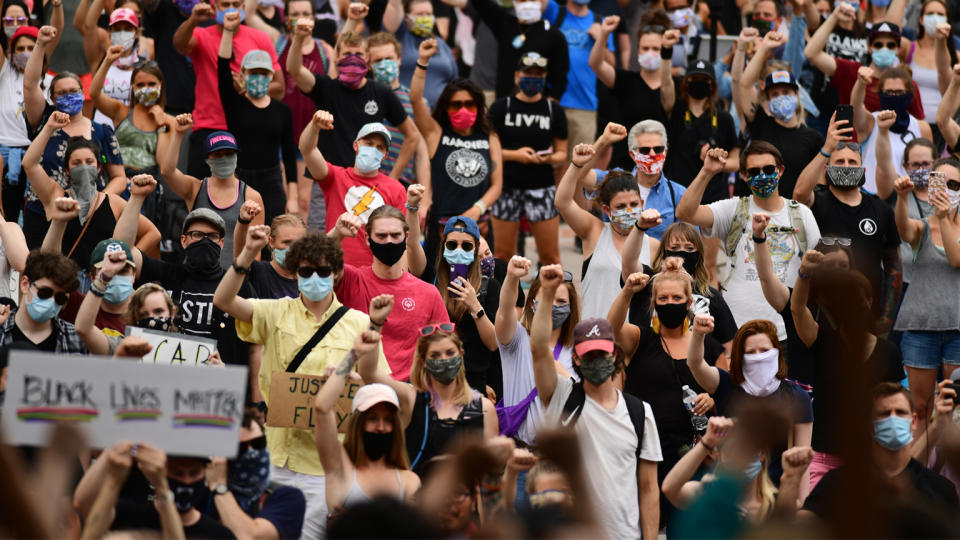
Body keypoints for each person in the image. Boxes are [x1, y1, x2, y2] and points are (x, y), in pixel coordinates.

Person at [213, 225, 389, 538]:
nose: (315, 277)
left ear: (336, 273)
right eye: (306, 270)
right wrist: (246, 254)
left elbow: (378, 386)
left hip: (326, 466)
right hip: (275, 456)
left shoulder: (360, 322)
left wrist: (353, 380)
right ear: (295, 273)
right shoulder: (275, 311)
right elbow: (224, 301)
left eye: (323, 270)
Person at [532, 264, 661, 539]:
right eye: (588, 355)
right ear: (575, 359)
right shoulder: (562, 397)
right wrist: (546, 293)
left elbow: (649, 488)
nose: (597, 361)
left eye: (602, 353)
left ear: (616, 356)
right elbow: (539, 348)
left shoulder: (640, 413)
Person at [609, 260, 721, 524]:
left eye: (677, 297)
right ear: (654, 303)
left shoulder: (707, 344)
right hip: (644, 447)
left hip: (691, 453)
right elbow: (611, 329)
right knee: (642, 523)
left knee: (685, 526)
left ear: (689, 303)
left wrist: (712, 400)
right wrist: (627, 292)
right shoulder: (641, 339)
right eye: (663, 298)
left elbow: (726, 390)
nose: (670, 303)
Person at [676, 143, 821, 340]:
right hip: (738, 329)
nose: (762, 176)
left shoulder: (801, 213)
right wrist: (707, 171)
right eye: (754, 171)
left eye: (769, 170)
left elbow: (818, 272)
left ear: (781, 171)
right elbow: (685, 213)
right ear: (744, 176)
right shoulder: (733, 209)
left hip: (788, 331)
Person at [791, 249, 905, 488]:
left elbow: (897, 400)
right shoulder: (821, 339)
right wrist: (804, 273)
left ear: (869, 302)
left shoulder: (888, 352)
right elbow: (798, 309)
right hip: (823, 458)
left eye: (858, 298)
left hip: (870, 461)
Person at [114, 175, 251, 368]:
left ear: (221, 242)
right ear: (184, 240)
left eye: (211, 236)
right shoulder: (166, 275)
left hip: (218, 386)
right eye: (197, 235)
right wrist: (136, 198)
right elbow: (122, 250)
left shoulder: (236, 285)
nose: (204, 240)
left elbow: (255, 343)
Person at [794, 113, 902, 330]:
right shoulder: (817, 202)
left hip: (865, 313)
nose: (846, 166)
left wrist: (888, 317)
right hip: (819, 313)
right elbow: (798, 194)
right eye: (839, 161)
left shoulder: (880, 209)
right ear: (827, 169)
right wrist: (826, 149)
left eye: (852, 162)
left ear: (862, 169)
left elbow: (893, 267)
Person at [799, 383, 959, 530]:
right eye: (884, 414)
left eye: (900, 412)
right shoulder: (838, 482)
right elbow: (802, 527)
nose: (893, 419)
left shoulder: (939, 489)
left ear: (914, 421)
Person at [22, 26, 126, 249]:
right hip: (42, 211)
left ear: (83, 93)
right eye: (62, 93)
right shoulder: (45, 118)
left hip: (87, 216)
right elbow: (30, 85)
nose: (69, 96)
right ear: (51, 97)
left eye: (74, 91)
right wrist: (40, 44)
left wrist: (99, 203)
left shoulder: (101, 131)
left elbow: (119, 177)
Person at [687, 316, 814, 495]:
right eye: (750, 352)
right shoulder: (726, 384)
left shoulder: (796, 396)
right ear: (740, 357)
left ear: (777, 352)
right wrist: (698, 335)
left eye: (764, 350)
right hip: (729, 496)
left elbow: (802, 461)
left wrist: (800, 505)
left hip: (775, 497)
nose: (758, 357)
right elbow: (695, 364)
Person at [412, 41, 502, 282]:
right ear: (447, 107)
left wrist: (477, 209)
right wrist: (423, 62)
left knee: (481, 285)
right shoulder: (436, 133)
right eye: (456, 104)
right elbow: (415, 98)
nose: (463, 109)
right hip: (441, 226)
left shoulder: (489, 137)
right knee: (436, 284)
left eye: (469, 104)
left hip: (479, 225)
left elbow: (497, 185)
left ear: (478, 106)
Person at [329, 204, 449, 382]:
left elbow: (445, 349)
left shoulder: (428, 293)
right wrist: (337, 233)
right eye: (381, 236)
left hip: (408, 392)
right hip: (356, 387)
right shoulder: (350, 279)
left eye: (395, 235)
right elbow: (312, 264)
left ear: (406, 237)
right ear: (368, 239)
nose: (389, 241)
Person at [23, 114, 160, 270]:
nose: (84, 167)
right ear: (67, 170)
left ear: (99, 167)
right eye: (77, 163)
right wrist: (49, 127)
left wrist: (128, 262)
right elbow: (30, 164)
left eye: (89, 162)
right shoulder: (57, 196)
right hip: (65, 283)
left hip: (103, 282)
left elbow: (152, 233)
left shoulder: (114, 202)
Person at [285, 23, 418, 180]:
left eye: (359, 54)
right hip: (328, 180)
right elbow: (294, 69)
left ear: (367, 58)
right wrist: (299, 38)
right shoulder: (325, 88)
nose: (353, 59)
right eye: (347, 54)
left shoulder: (381, 92)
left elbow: (413, 135)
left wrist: (393, 177)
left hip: (366, 182)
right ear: (337, 57)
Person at [313, 330, 420, 520]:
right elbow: (322, 407)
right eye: (372, 418)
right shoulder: (340, 468)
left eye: (388, 420)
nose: (381, 427)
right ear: (358, 423)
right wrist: (353, 355)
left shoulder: (409, 481)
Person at [172, 0, 283, 179]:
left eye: (236, 4)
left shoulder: (260, 38)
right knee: (200, 195)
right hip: (208, 127)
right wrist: (193, 20)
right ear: (214, 8)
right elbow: (179, 44)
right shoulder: (202, 35)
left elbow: (279, 88)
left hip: (247, 128)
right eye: (225, 4)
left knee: (248, 200)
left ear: (244, 8)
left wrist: (248, 89)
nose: (231, 9)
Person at [555, 135, 659, 320]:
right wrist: (576, 165)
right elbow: (563, 202)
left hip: (634, 339)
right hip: (593, 336)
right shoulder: (594, 231)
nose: (628, 210)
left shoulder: (653, 246)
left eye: (634, 204)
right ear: (606, 209)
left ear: (642, 203)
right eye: (620, 207)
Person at [892, 160, 960, 426]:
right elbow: (903, 229)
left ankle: (948, 468)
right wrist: (900, 197)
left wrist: (943, 218)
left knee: (955, 410)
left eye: (954, 184)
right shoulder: (921, 227)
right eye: (941, 183)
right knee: (920, 408)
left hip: (957, 328)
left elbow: (956, 259)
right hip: (921, 328)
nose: (947, 190)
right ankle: (919, 467)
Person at [488, 51, 568, 265]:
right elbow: (488, 150)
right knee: (502, 256)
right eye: (528, 73)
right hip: (507, 188)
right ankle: (504, 298)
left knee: (550, 257)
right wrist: (516, 155)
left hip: (541, 187)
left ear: (545, 77)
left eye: (538, 73)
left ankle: (553, 297)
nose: (533, 78)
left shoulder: (554, 110)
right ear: (517, 75)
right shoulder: (500, 108)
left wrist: (547, 159)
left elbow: (562, 152)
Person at [218, 16, 298, 224]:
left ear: (272, 76)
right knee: (241, 233)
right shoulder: (234, 103)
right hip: (240, 178)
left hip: (272, 180)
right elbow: (222, 69)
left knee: (272, 233)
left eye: (264, 73)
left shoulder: (282, 111)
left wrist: (294, 196)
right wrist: (227, 31)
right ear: (244, 74)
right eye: (254, 73)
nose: (259, 78)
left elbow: (289, 155)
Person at [299, 112, 407, 266]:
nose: (373, 150)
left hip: (376, 273)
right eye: (369, 143)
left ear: (385, 155)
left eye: (380, 147)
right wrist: (314, 125)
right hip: (336, 268)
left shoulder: (396, 189)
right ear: (356, 145)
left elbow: (402, 243)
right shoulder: (335, 177)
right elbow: (307, 149)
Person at [662, 416, 815, 522]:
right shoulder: (707, 494)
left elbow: (787, 520)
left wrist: (792, 477)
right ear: (721, 456)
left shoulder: (777, 504)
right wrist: (706, 442)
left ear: (762, 455)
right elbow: (670, 488)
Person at [495, 255, 580, 445]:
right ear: (532, 303)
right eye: (548, 298)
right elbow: (505, 310)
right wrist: (511, 277)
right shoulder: (516, 339)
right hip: (518, 448)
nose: (554, 306)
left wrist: (563, 374)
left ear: (571, 307)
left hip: (557, 454)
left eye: (561, 301)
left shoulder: (577, 350)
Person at [161, 116, 266, 268]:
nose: (224, 159)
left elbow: (255, 251)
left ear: (236, 156)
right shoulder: (195, 188)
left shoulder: (251, 196)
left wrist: (246, 281)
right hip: (196, 276)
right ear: (207, 159)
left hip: (232, 279)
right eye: (217, 155)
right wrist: (178, 134)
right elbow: (167, 172)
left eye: (229, 154)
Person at [622, 221, 738, 355]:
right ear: (664, 252)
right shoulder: (647, 284)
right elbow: (628, 262)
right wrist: (639, 228)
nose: (682, 253)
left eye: (689, 248)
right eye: (675, 247)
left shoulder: (711, 296)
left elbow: (729, 348)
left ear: (698, 255)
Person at [73, 442, 232, 537]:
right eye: (177, 473)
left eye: (194, 473)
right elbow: (83, 502)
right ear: (160, 471)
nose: (186, 480)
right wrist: (118, 445)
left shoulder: (219, 535)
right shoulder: (129, 516)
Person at [403, 320, 499, 475]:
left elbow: (491, 473)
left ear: (461, 354)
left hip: (465, 496)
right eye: (435, 355)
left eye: (450, 353)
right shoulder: (413, 400)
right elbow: (371, 374)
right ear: (424, 361)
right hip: (421, 496)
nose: (444, 359)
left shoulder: (484, 408)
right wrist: (375, 325)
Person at [734, 33, 824, 199]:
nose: (781, 97)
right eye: (774, 94)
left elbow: (819, 183)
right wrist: (764, 48)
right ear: (767, 99)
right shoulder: (760, 124)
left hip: (796, 214)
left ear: (797, 95)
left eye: (786, 92)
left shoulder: (814, 139)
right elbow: (745, 84)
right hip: (759, 212)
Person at [270, 0, 333, 216]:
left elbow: (334, 90)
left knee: (304, 202)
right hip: (280, 134)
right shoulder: (276, 43)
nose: (301, 18)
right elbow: (249, 16)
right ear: (286, 18)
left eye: (306, 13)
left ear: (314, 18)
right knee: (285, 200)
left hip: (311, 135)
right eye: (295, 13)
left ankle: (301, 249)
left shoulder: (325, 49)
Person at [205, 412, 307, 539]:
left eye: (258, 443)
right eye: (241, 448)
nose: (251, 452)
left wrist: (219, 486)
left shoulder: (287, 497)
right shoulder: (201, 494)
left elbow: (249, 536)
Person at [590, 16, 672, 170]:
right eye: (645, 48)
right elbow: (596, 64)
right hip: (625, 167)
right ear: (638, 49)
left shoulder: (673, 87)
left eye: (656, 49)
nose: (651, 53)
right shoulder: (625, 80)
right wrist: (604, 33)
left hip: (660, 169)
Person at [429, 216, 499, 394]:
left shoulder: (489, 287)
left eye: (466, 246)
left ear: (475, 250)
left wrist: (475, 306)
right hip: (436, 376)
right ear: (444, 247)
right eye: (452, 245)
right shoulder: (432, 283)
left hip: (475, 379)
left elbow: (493, 344)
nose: (458, 251)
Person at [805, 17, 924, 121]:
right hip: (854, 145)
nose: (884, 49)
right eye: (878, 45)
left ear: (898, 49)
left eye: (890, 45)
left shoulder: (907, 84)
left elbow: (919, 125)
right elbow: (811, 53)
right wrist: (835, 16)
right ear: (869, 48)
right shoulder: (852, 71)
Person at [89, 47, 172, 185]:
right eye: (140, 85)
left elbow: (163, 165)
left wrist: (161, 126)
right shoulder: (121, 111)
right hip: (118, 181)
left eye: (151, 84)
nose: (146, 88)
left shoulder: (170, 122)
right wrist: (108, 61)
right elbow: (94, 94)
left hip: (148, 184)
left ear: (161, 85)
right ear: (132, 87)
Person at [541, 0, 614, 153]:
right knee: (548, 161)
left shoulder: (601, 22)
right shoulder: (555, 12)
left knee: (580, 167)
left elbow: (611, 64)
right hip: (552, 101)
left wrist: (601, 38)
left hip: (585, 105)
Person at [465, 0, 569, 101]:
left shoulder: (554, 36)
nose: (528, 4)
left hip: (537, 108)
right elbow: (481, 3)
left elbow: (560, 78)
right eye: (522, 0)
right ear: (514, 2)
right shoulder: (505, 25)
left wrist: (550, 107)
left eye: (532, 0)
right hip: (505, 104)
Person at [854, 67, 933, 194]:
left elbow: (931, 168)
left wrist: (934, 200)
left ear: (909, 94)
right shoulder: (870, 122)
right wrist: (860, 84)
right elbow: (856, 106)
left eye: (899, 92)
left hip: (909, 199)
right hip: (872, 198)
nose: (894, 97)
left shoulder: (922, 127)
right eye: (889, 92)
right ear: (880, 93)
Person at [365, 32, 427, 186]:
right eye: (378, 60)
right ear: (368, 64)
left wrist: (425, 197)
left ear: (399, 59)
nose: (384, 64)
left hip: (401, 183)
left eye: (389, 58)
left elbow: (421, 153)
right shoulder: (362, 95)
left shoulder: (416, 101)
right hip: (364, 179)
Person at [0, 249, 86, 353]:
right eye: (45, 293)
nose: (51, 301)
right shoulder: (2, 329)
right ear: (25, 284)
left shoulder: (77, 339)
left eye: (60, 298)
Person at [381, 0, 457, 108]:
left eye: (429, 14)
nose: (425, 18)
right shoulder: (398, 38)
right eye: (420, 14)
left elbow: (454, 81)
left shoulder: (441, 44)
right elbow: (394, 6)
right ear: (406, 17)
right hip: (405, 111)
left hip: (441, 114)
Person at [84, 7, 151, 127]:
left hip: (130, 132)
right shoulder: (99, 59)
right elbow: (89, 25)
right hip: (101, 132)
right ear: (109, 32)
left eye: (128, 29)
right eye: (117, 29)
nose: (122, 33)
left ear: (137, 33)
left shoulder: (144, 66)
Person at [0, 25, 38, 219]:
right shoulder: (5, 74)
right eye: (20, 49)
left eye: (32, 48)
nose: (26, 53)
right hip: (4, 159)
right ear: (11, 53)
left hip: (37, 159)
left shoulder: (52, 81)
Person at [243, 213, 306, 300]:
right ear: (271, 242)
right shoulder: (257, 271)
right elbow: (238, 254)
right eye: (287, 242)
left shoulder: (309, 279)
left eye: (298, 243)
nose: (292, 248)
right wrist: (243, 222)